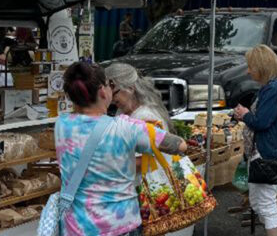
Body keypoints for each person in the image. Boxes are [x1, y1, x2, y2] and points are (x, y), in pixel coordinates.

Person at [54, 62, 190, 236]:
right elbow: (180, 145)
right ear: (103, 91)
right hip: (119, 225)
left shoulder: (61, 125)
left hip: (76, 227)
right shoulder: (128, 127)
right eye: (111, 85)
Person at [232, 45, 277, 236]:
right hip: (266, 149)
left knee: (266, 203)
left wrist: (245, 114)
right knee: (259, 201)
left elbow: (262, 122)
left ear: (261, 66)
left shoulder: (273, 88)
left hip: (266, 150)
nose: (248, 70)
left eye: (250, 66)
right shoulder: (274, 86)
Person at [104, 63, 170, 130]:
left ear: (130, 88)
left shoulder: (147, 117)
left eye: (114, 94)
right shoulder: (122, 110)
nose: (111, 99)